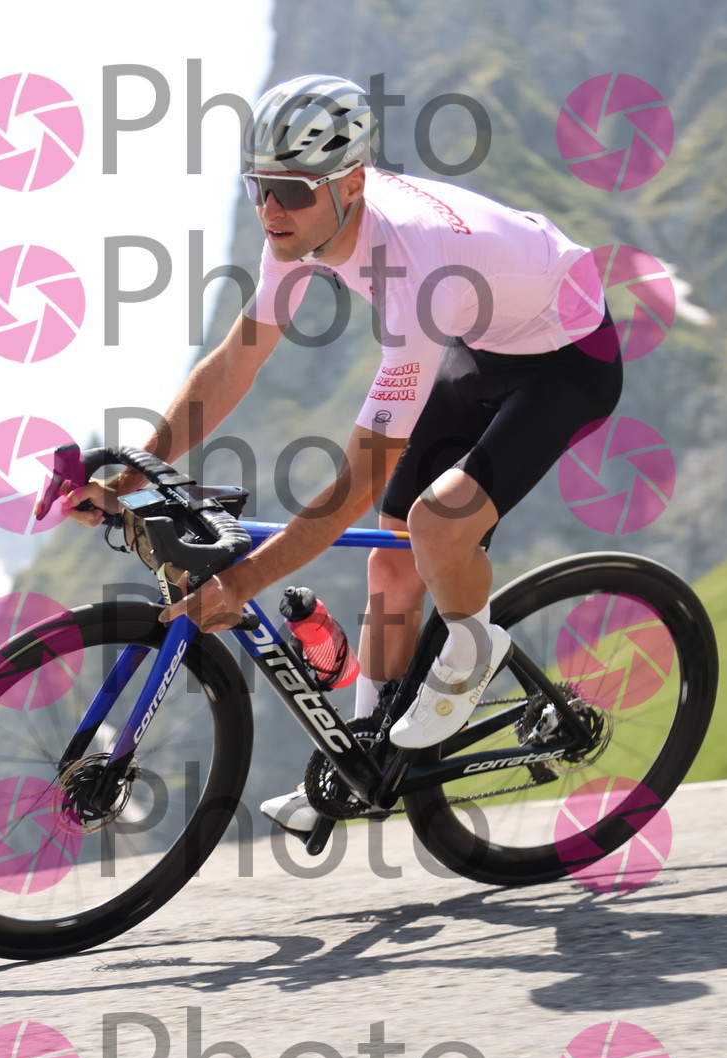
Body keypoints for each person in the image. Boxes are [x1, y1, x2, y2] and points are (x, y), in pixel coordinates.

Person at [60, 74, 620, 833]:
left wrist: (242, 582)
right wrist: (134, 471)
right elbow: (236, 362)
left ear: (351, 182)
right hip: (486, 343)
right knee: (390, 560)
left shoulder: (416, 265)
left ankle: (475, 642)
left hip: (569, 358)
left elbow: (358, 478)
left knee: (436, 526)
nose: (270, 210)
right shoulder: (300, 229)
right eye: (258, 187)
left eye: (290, 190)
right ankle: (365, 759)